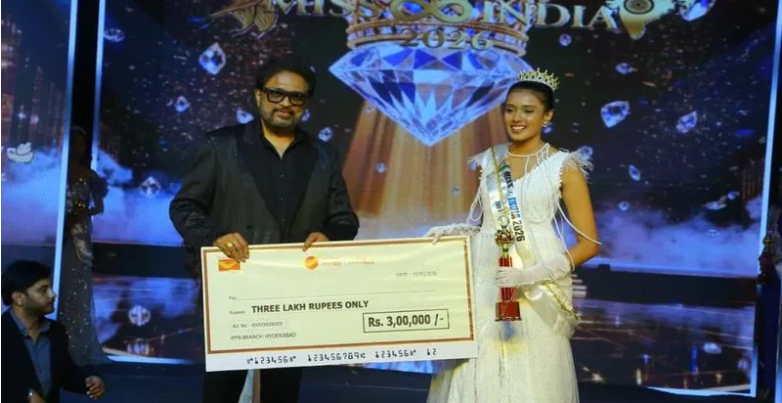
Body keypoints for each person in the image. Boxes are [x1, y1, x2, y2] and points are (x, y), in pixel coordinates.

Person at [169, 55, 360, 403]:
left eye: (296, 96)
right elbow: (184, 207)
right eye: (276, 93)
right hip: (234, 287)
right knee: (222, 391)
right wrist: (215, 236)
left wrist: (330, 236)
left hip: (294, 293)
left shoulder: (324, 155)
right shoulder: (220, 146)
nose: (286, 103)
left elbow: (345, 218)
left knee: (283, 391)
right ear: (259, 95)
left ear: (306, 103)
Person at [424, 69, 600, 403]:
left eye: (528, 110)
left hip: (537, 281)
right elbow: (487, 226)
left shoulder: (564, 165)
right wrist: (455, 232)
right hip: (486, 276)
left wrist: (530, 275)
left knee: (528, 372)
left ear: (547, 116)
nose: (517, 118)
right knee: (477, 366)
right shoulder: (489, 161)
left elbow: (589, 244)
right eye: (510, 109)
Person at [1, 260, 106, 403]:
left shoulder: (56, 331)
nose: (52, 294)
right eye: (43, 290)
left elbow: (65, 373)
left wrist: (88, 381)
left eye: (50, 288)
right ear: (19, 298)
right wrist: (26, 396)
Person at [58, 126, 111, 367]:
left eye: (80, 144)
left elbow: (99, 207)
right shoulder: (57, 169)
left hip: (79, 232)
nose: (77, 148)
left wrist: (80, 213)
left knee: (77, 285)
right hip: (57, 230)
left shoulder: (89, 175)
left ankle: (76, 346)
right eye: (73, 143)